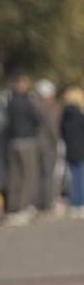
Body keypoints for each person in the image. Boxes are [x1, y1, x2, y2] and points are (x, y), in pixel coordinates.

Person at [3, 71, 40, 225]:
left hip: (12, 142)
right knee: (29, 175)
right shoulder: (27, 101)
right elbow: (36, 119)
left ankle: (12, 208)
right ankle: (23, 207)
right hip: (27, 141)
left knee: (14, 176)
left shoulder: (9, 101)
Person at [33, 78, 63, 214]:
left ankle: (39, 201)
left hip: (37, 143)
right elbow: (52, 127)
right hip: (49, 144)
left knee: (38, 173)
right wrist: (57, 140)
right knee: (49, 173)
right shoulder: (51, 106)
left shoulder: (34, 104)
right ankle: (49, 202)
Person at [59, 86, 84, 218]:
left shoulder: (64, 116)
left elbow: (63, 133)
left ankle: (74, 203)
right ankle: (80, 203)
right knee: (80, 178)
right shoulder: (80, 116)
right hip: (80, 150)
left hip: (70, 150)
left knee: (73, 179)